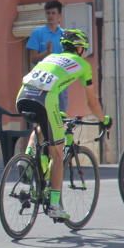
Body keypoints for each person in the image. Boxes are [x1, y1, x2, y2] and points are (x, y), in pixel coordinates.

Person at [16, 28, 110, 220]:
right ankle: (54, 206)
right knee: (58, 154)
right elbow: (92, 102)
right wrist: (104, 120)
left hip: (23, 95)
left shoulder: (49, 58)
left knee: (41, 126)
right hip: (45, 100)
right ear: (79, 48)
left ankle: (27, 161)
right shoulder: (82, 64)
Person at [26, 0, 68, 111]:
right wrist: (47, 53)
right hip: (42, 81)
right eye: (48, 13)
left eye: (53, 13)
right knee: (43, 115)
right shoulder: (37, 33)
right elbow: (33, 59)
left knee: (60, 115)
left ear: (59, 15)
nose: (50, 16)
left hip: (60, 81)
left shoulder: (65, 35)